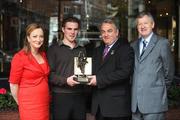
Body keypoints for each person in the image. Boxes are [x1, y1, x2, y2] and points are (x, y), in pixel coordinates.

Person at [131, 11, 175, 120]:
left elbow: (169, 73)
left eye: (145, 23)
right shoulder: (133, 45)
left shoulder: (162, 43)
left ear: (153, 25)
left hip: (155, 103)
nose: (142, 26)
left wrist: (159, 90)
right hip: (135, 105)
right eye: (139, 24)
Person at [88, 19, 134, 120]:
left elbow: (124, 73)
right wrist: (82, 77)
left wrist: (99, 80)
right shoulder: (97, 50)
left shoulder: (125, 49)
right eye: (103, 31)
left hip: (116, 108)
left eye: (109, 31)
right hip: (99, 107)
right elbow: (92, 71)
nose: (106, 34)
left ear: (117, 32)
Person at [47, 16, 87, 120]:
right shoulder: (53, 49)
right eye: (69, 29)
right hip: (60, 96)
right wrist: (66, 81)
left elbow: (83, 72)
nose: (72, 32)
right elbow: (49, 75)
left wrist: (87, 79)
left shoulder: (82, 49)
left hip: (79, 96)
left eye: (75, 29)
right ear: (63, 29)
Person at [9, 23, 50, 120]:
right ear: (28, 38)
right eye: (34, 36)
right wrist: (21, 103)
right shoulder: (19, 57)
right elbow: (13, 85)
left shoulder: (43, 54)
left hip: (44, 102)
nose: (38, 39)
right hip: (29, 104)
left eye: (41, 36)